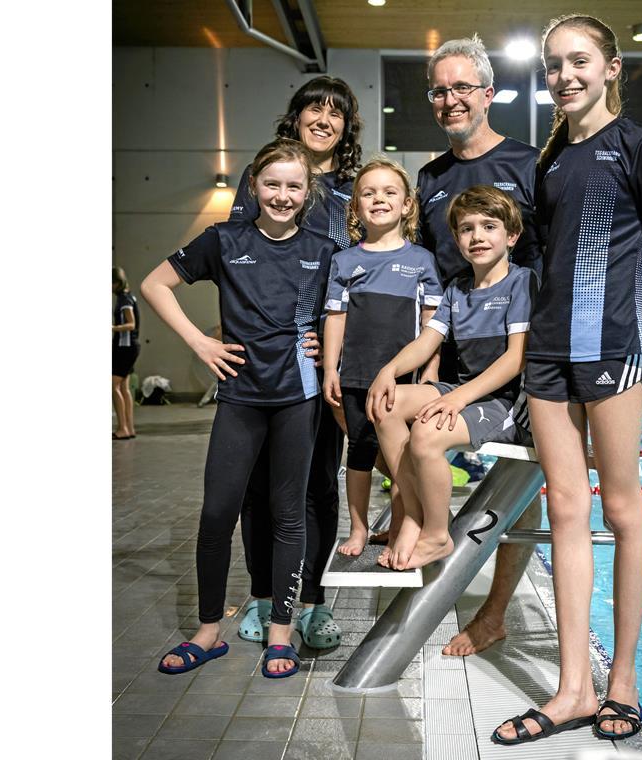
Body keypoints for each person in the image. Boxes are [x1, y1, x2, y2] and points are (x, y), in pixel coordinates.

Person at [490, 15, 642, 745]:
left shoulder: (640, 146)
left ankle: (622, 681)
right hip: (547, 358)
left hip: (612, 355)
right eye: (553, 65)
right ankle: (574, 687)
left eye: (580, 61)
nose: (565, 75)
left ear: (610, 69)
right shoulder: (548, 164)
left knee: (623, 511)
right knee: (566, 512)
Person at [141, 138, 338, 678]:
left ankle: (281, 631)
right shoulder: (224, 240)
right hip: (240, 397)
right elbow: (154, 284)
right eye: (271, 184)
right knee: (216, 513)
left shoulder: (324, 249)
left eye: (293, 186)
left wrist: (326, 343)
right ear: (253, 186)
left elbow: (343, 312)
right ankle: (208, 632)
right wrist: (199, 343)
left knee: (288, 514)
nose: (281, 195)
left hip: (296, 397)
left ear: (308, 191)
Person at [416, 34, 544, 657]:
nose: (451, 99)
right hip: (460, 358)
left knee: (523, 484)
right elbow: (434, 282)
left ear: (489, 93)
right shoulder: (431, 177)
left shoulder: (530, 163)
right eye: (440, 90)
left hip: (526, 356)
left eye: (463, 87)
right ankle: (422, 523)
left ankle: (495, 614)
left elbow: (549, 263)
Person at [227, 76, 362, 649]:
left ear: (346, 126)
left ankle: (309, 603)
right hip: (260, 358)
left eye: (336, 112)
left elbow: (364, 271)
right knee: (260, 487)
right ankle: (262, 596)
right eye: (315, 107)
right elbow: (235, 253)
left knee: (316, 487)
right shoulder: (261, 177)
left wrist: (335, 344)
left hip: (318, 358)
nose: (324, 119)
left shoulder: (354, 189)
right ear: (297, 115)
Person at [367, 186, 536, 570]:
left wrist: (458, 400)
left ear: (511, 236)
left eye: (489, 226)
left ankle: (437, 535)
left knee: (426, 435)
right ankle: (413, 514)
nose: (477, 236)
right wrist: (389, 371)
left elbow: (515, 359)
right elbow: (428, 341)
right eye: (466, 228)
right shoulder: (458, 288)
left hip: (503, 402)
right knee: (386, 404)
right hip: (462, 391)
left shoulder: (522, 283)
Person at [321, 157, 442, 557]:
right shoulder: (344, 261)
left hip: (402, 380)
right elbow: (335, 319)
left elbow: (432, 325)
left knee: (399, 452)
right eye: (368, 193)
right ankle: (357, 528)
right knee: (358, 451)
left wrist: (430, 372)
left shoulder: (422, 261)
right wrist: (330, 370)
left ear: (407, 204)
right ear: (355, 207)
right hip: (355, 373)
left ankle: (399, 526)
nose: (379, 199)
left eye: (390, 192)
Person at [112, 266, 140, 440]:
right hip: (130, 347)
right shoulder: (130, 296)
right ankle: (129, 428)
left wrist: (112, 327)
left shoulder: (123, 300)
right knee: (124, 387)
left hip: (124, 347)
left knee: (112, 386)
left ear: (116, 283)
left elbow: (131, 324)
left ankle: (122, 428)